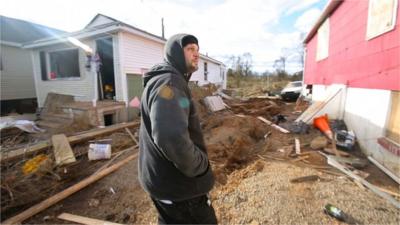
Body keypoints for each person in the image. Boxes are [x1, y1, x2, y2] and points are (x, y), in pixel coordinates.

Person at [138, 33, 217, 224]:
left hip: (163, 183)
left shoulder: (167, 81)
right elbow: (170, 136)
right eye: (190, 49)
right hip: (180, 190)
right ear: (175, 52)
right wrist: (200, 166)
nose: (196, 54)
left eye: (197, 50)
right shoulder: (170, 84)